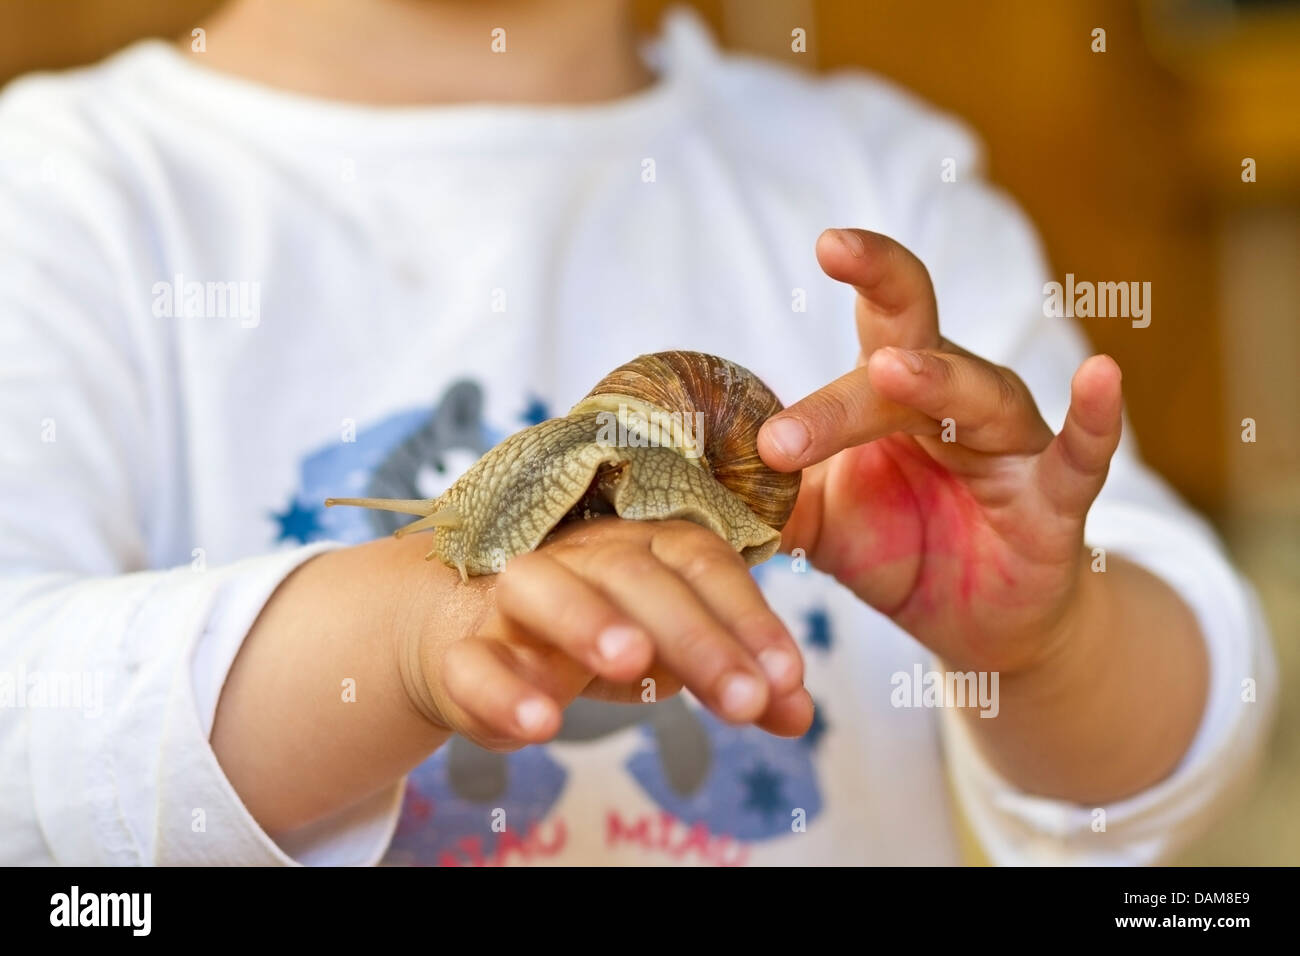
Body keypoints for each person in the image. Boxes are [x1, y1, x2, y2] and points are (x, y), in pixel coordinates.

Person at [0, 0, 1274, 866]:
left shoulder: (880, 183)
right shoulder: (70, 197)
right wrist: (403, 635)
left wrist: (1050, 641)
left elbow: (1180, 741)